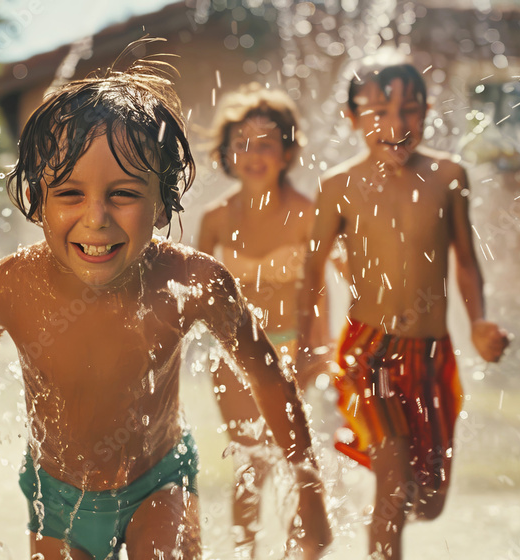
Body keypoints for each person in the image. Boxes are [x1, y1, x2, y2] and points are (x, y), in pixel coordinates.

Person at [0, 43, 332, 560]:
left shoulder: (191, 282)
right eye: (70, 193)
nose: (96, 219)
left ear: (162, 204)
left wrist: (307, 483)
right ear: (34, 200)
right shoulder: (8, 288)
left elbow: (266, 373)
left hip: (158, 483)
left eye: (124, 194)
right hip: (58, 496)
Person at [296, 56, 509, 560]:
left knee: (427, 501)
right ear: (351, 118)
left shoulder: (448, 177)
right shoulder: (338, 186)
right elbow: (310, 271)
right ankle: (386, 491)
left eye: (410, 111)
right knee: (395, 486)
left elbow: (465, 263)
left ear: (427, 112)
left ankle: (393, 484)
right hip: (369, 352)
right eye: (376, 112)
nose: (395, 126)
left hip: (432, 356)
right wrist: (309, 343)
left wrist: (478, 322)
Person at [197, 83, 333, 554]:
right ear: (226, 153)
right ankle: (247, 551)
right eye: (242, 144)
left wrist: (321, 346)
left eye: (266, 144)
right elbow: (195, 289)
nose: (253, 155)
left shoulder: (305, 213)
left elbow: (322, 287)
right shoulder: (215, 219)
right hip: (234, 356)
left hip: (294, 348)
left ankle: (304, 547)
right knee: (250, 463)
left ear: (288, 151)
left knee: (297, 460)